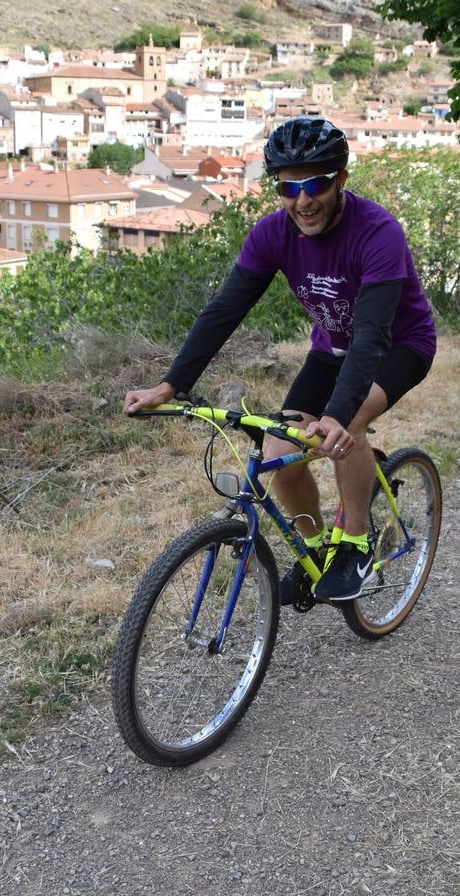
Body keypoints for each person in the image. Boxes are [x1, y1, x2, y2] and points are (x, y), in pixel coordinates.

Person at [123, 116, 437, 602]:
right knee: (279, 453)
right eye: (289, 188)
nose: (303, 200)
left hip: (400, 346)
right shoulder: (272, 234)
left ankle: (354, 544)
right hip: (331, 347)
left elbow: (373, 334)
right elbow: (225, 310)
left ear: (341, 181)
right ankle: (315, 550)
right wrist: (171, 384)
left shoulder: (379, 232)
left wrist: (336, 414)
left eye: (317, 184)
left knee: (345, 425)